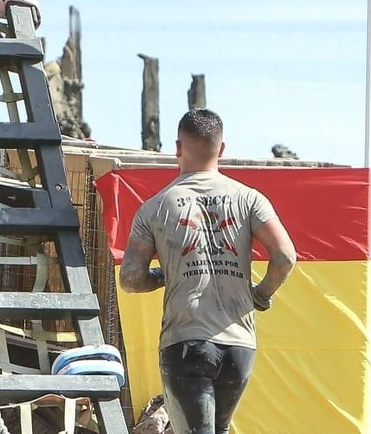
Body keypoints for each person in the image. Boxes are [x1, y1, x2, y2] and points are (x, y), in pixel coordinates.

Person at [119, 109, 298, 434]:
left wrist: (162, 276)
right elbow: (285, 256)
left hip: (185, 343)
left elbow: (130, 278)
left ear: (178, 147)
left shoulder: (155, 207)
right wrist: (260, 294)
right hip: (239, 345)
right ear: (222, 148)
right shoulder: (250, 199)